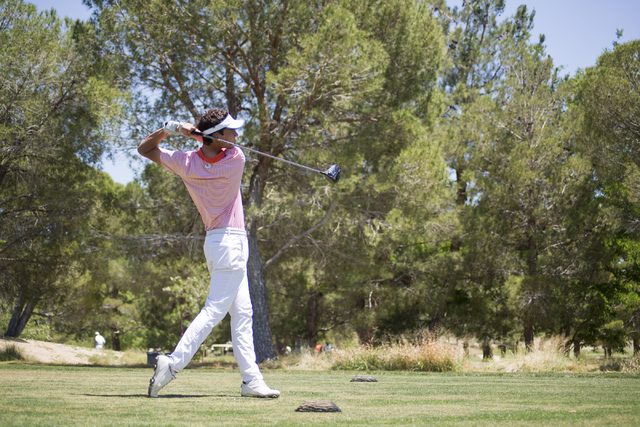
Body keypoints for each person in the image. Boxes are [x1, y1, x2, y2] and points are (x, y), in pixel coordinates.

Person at [138, 108, 280, 399]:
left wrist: (171, 128)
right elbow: (220, 149)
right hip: (232, 243)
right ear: (216, 137)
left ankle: (251, 380)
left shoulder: (185, 161)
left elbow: (145, 149)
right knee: (215, 309)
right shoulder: (235, 158)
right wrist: (201, 137)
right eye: (231, 131)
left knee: (243, 313)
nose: (237, 136)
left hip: (216, 243)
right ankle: (173, 363)